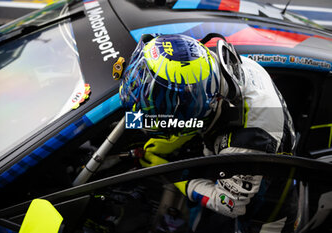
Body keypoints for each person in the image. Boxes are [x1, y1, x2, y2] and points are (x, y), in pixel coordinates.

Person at [119, 34, 297, 233]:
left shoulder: (248, 140)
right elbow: (199, 111)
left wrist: (172, 174)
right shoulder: (213, 68)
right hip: (235, 162)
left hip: (264, 215)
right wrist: (172, 141)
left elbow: (230, 205)